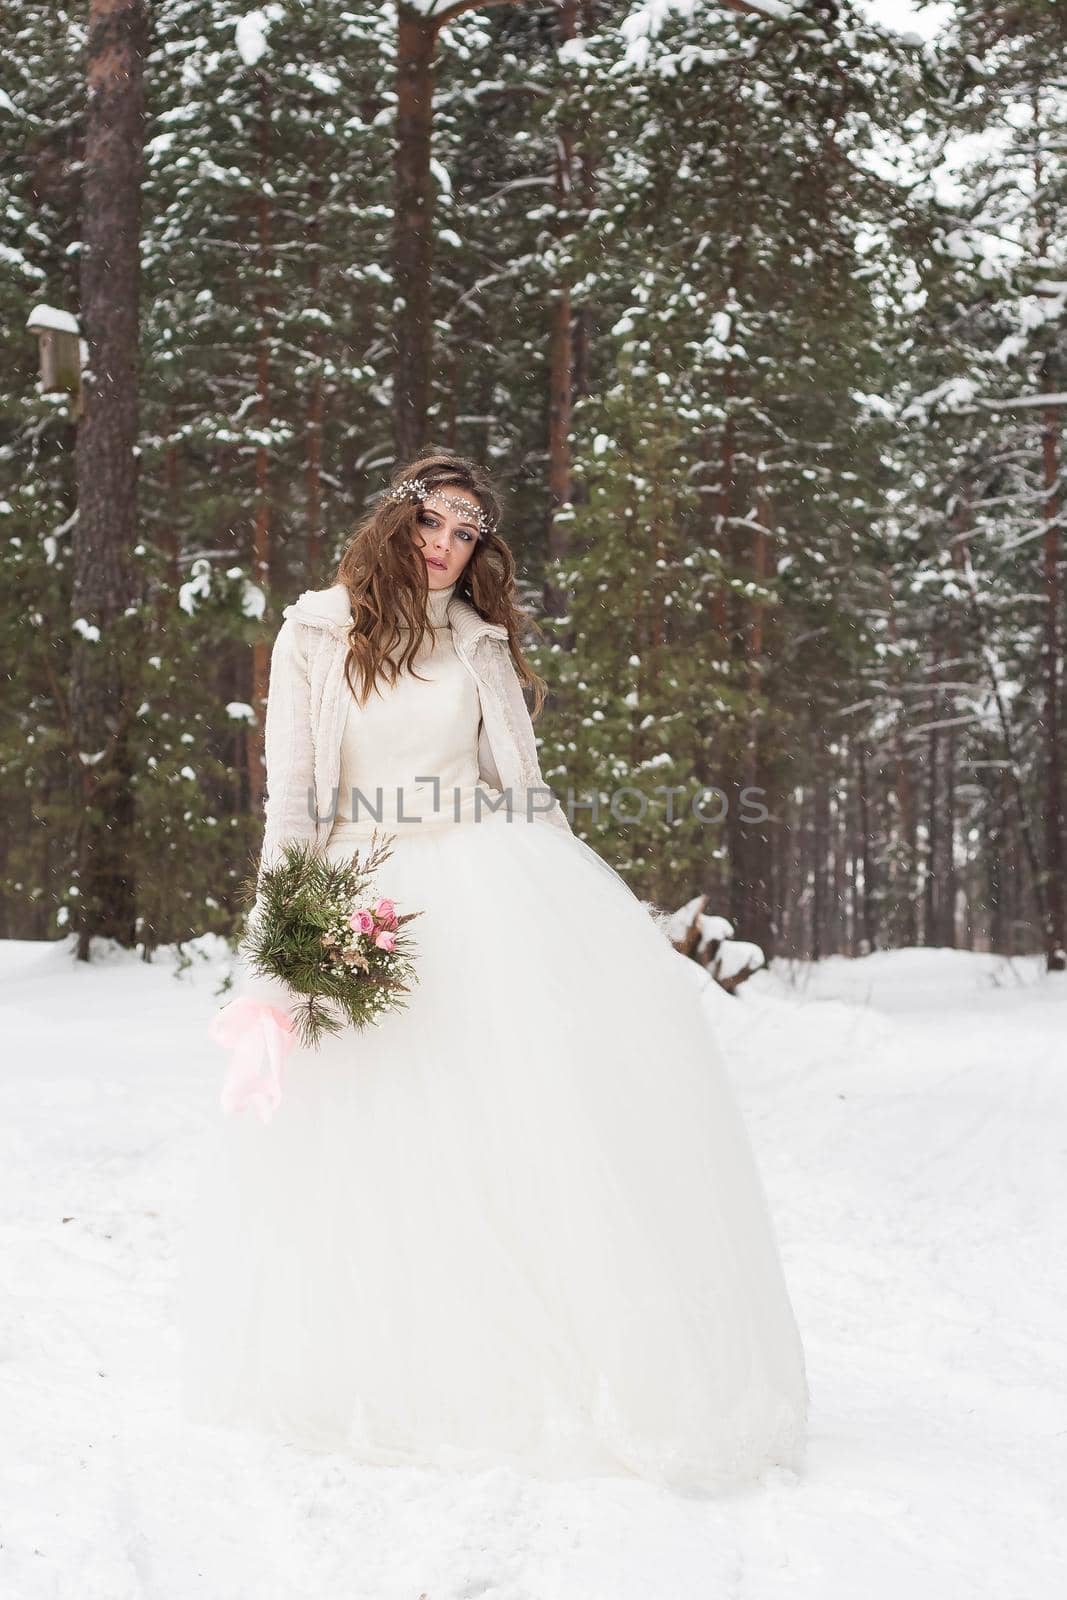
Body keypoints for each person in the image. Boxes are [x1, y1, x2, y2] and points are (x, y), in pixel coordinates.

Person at [178, 451, 808, 1493]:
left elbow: (525, 788)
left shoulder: (480, 642)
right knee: (377, 1145)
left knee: (522, 1133)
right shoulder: (313, 633)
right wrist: (277, 943)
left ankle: (551, 1377)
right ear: (393, 522)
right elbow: (291, 797)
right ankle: (393, 1374)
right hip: (363, 894)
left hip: (486, 891)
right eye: (432, 523)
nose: (446, 546)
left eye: (467, 533)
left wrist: (591, 912)